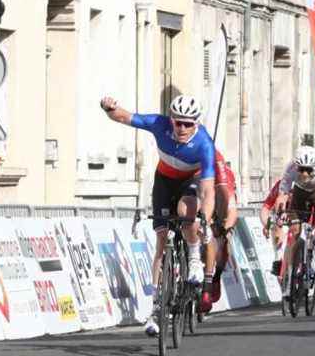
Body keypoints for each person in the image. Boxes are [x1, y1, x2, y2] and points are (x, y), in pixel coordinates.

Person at [101, 95, 215, 336]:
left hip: (190, 183)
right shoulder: (159, 124)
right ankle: (154, 311)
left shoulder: (204, 143)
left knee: (187, 212)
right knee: (161, 244)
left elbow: (207, 188)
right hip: (163, 182)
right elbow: (124, 116)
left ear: (196, 123)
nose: (182, 128)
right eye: (178, 123)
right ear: (171, 121)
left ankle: (194, 258)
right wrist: (108, 107)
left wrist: (205, 216)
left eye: (188, 124)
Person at [274, 146, 315, 277]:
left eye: (308, 170)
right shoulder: (290, 167)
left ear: (314, 167)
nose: (304, 174)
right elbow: (282, 195)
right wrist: (280, 213)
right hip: (300, 193)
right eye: (301, 169)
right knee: (295, 230)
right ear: (296, 165)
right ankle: (290, 272)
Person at [200, 149, 239, 312]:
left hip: (220, 206)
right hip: (200, 196)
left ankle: (215, 277)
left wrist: (225, 229)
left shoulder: (226, 179)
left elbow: (232, 212)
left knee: (222, 240)